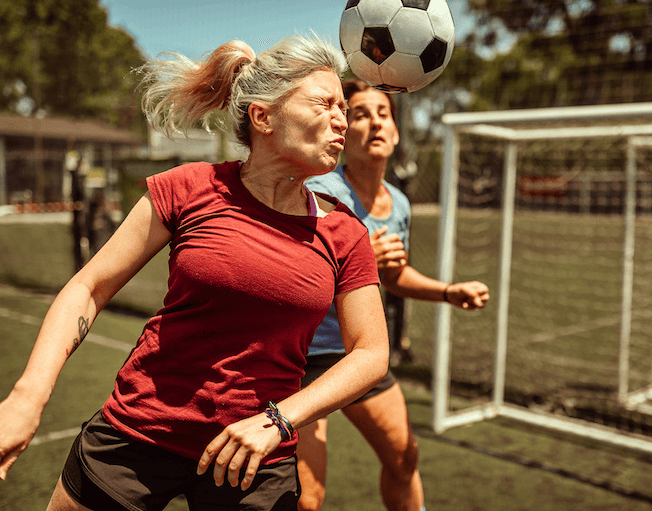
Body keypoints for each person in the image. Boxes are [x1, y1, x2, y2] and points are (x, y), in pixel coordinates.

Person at [0, 36, 389, 511]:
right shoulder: (190, 188)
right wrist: (26, 399)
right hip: (137, 434)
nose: (341, 120)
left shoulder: (347, 232)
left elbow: (371, 353)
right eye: (325, 103)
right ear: (262, 117)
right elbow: (89, 286)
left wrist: (278, 421)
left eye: (343, 108)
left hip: (255, 461)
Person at [298, 79, 490, 511]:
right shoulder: (319, 193)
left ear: (397, 131)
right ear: (344, 133)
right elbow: (295, 275)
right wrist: (360, 252)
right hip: (303, 356)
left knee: (404, 460)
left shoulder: (399, 204)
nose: (375, 123)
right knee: (306, 498)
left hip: (361, 353)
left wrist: (447, 291)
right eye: (360, 114)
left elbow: (394, 274)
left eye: (383, 113)